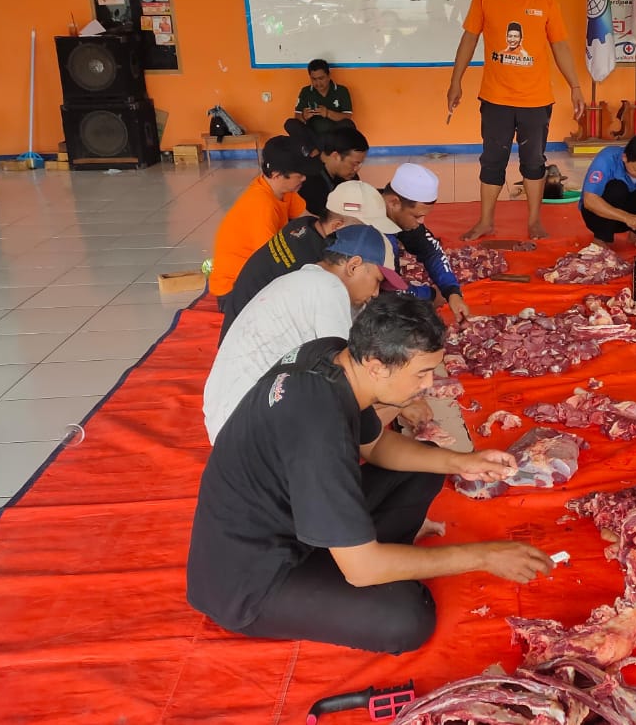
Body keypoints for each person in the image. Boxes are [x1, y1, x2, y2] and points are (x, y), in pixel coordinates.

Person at [187, 293, 553, 653]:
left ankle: (358, 551)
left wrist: (463, 462)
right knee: (407, 617)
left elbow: (375, 446)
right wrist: (485, 556)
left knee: (427, 462)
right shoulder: (317, 430)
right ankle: (360, 558)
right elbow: (361, 571)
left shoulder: (334, 356)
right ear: (377, 366)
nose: (429, 385)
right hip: (249, 580)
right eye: (422, 373)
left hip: (294, 520)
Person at [204, 225, 406, 443]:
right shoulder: (328, 287)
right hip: (249, 431)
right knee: (365, 416)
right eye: (377, 281)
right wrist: (400, 403)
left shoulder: (306, 280)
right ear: (354, 265)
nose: (376, 293)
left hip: (229, 420)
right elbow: (349, 377)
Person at [446, 0, 586, 241]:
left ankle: (534, 221)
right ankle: (486, 222)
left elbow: (559, 44)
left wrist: (575, 85)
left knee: (533, 162)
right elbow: (469, 39)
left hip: (536, 101)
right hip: (496, 98)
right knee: (492, 160)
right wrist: (456, 80)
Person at [220, 180, 399, 342]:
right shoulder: (314, 268)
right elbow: (335, 343)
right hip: (250, 344)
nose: (371, 238)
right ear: (337, 226)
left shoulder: (305, 226)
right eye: (365, 231)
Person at [208, 136, 313, 308]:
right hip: (234, 291)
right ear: (277, 175)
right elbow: (271, 261)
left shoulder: (284, 190)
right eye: (299, 174)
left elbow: (310, 221)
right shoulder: (261, 205)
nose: (304, 178)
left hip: (257, 273)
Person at [381, 163, 469, 323]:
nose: (421, 222)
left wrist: (451, 291)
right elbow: (387, 291)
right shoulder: (371, 232)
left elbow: (431, 251)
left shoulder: (396, 213)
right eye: (416, 216)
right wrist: (430, 296)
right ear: (394, 203)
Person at [297, 126, 369, 218]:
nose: (356, 169)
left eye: (360, 164)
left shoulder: (346, 176)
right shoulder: (310, 180)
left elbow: (351, 204)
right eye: (354, 164)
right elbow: (328, 216)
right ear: (336, 156)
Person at [295, 58, 354, 135]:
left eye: (321, 78)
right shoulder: (306, 91)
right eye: (314, 79)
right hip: (313, 134)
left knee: (349, 125)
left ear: (329, 76)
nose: (318, 83)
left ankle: (335, 146)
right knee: (291, 124)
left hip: (335, 134)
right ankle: (311, 147)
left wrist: (327, 113)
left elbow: (347, 116)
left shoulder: (342, 90)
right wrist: (303, 116)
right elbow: (297, 116)